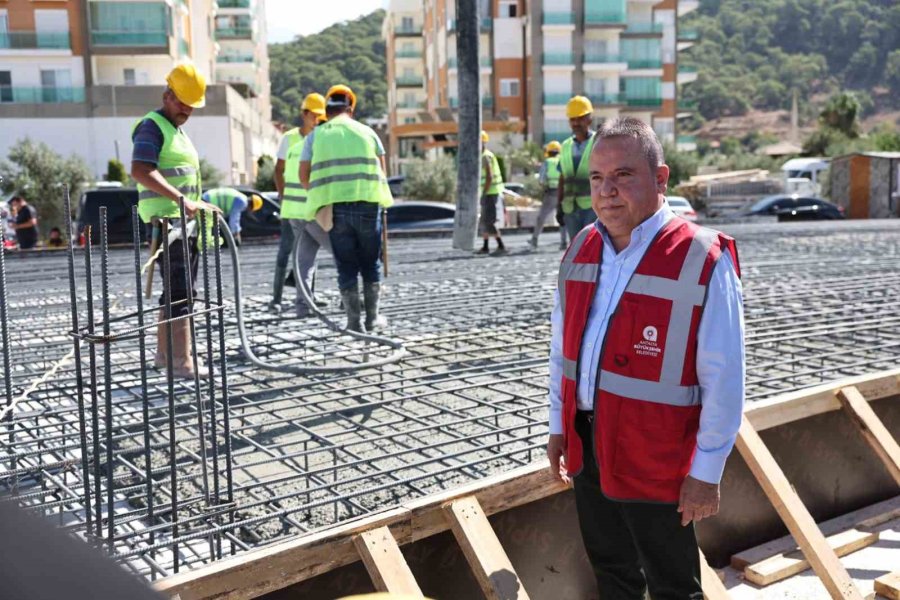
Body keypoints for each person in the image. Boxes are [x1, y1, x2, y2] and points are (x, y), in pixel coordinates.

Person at [546, 117, 745, 599]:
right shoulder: (581, 248)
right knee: (612, 570)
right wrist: (558, 425)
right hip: (589, 444)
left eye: (623, 176)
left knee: (672, 582)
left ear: (661, 179)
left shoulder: (701, 256)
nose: (607, 191)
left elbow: (725, 378)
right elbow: (562, 352)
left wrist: (706, 472)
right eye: (597, 178)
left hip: (658, 454)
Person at [130, 64, 220, 379]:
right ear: (167, 94)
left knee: (175, 292)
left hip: (181, 222)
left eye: (191, 105)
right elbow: (141, 169)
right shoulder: (152, 126)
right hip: (169, 223)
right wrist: (182, 201)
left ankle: (163, 356)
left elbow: (182, 181)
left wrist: (197, 202)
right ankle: (182, 363)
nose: (186, 110)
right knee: (181, 294)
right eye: (182, 102)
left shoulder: (175, 131)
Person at [300, 84, 393, 332]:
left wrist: (324, 192)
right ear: (350, 108)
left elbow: (303, 175)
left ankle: (353, 322)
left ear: (327, 111)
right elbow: (382, 171)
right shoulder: (368, 132)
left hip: (334, 209)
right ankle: (372, 319)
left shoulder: (314, 136)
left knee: (346, 265)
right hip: (367, 206)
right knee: (370, 263)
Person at [269, 95, 326, 312]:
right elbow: (278, 170)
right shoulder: (290, 138)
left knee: (310, 253)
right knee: (286, 252)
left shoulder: (322, 137)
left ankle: (308, 297)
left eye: (320, 116)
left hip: (312, 208)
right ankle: (276, 298)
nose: (317, 120)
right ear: (304, 114)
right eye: (314, 115)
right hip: (292, 208)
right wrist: (283, 196)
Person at [557, 96, 597, 242]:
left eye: (580, 118)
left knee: (593, 247)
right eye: (572, 119)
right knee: (576, 249)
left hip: (593, 207)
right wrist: (559, 205)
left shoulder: (599, 142)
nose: (576, 123)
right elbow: (562, 177)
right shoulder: (566, 146)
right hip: (570, 207)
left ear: (589, 119)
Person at [529, 141, 564, 251]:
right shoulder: (562, 161)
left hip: (551, 193)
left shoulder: (547, 162)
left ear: (548, 152)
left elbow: (541, 180)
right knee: (562, 218)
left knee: (541, 218)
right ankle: (564, 242)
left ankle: (534, 239)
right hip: (563, 193)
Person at [476, 130, 506, 256]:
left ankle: (501, 245)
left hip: (490, 192)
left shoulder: (485, 156)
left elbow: (489, 176)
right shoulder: (485, 155)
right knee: (484, 220)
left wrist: (484, 193)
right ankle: (486, 246)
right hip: (490, 192)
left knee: (489, 221)